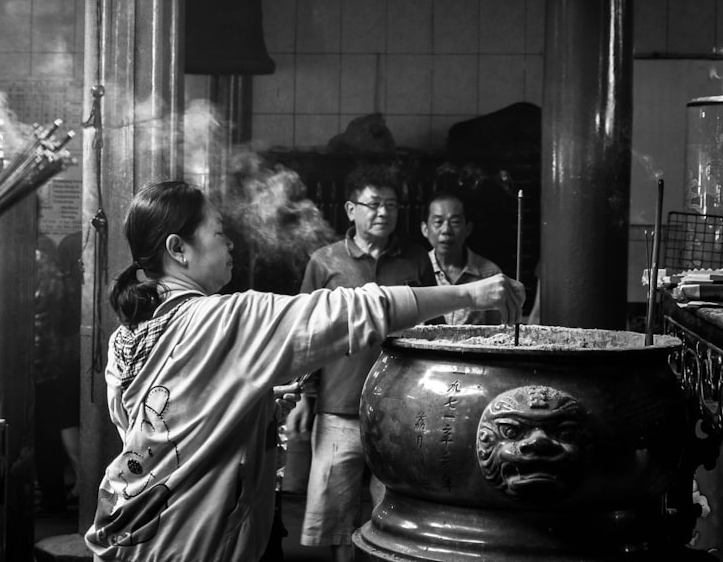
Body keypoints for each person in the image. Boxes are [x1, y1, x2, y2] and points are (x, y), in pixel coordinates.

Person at [84, 180, 524, 561]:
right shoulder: (223, 318)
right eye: (219, 234)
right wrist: (471, 293)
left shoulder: (129, 332)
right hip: (188, 543)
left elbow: (149, 425)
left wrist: (254, 400)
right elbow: (358, 308)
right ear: (178, 250)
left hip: (125, 527)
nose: (230, 244)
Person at [287, 163, 435, 562]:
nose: (383, 212)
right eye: (373, 204)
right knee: (337, 508)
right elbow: (306, 336)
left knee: (394, 507)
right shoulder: (325, 261)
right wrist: (305, 398)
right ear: (351, 210)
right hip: (339, 404)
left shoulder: (417, 260)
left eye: (391, 204)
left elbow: (431, 331)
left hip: (401, 409)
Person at [33, 231, 82, 513]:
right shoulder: (51, 266)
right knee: (48, 433)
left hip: (30, 361)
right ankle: (53, 498)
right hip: (57, 359)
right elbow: (70, 319)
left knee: (41, 432)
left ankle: (44, 498)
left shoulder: (25, 263)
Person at [420, 190, 504, 325]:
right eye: (438, 222)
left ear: (468, 229)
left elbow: (499, 330)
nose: (446, 230)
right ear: (425, 229)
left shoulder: (490, 273)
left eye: (455, 222)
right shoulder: (416, 269)